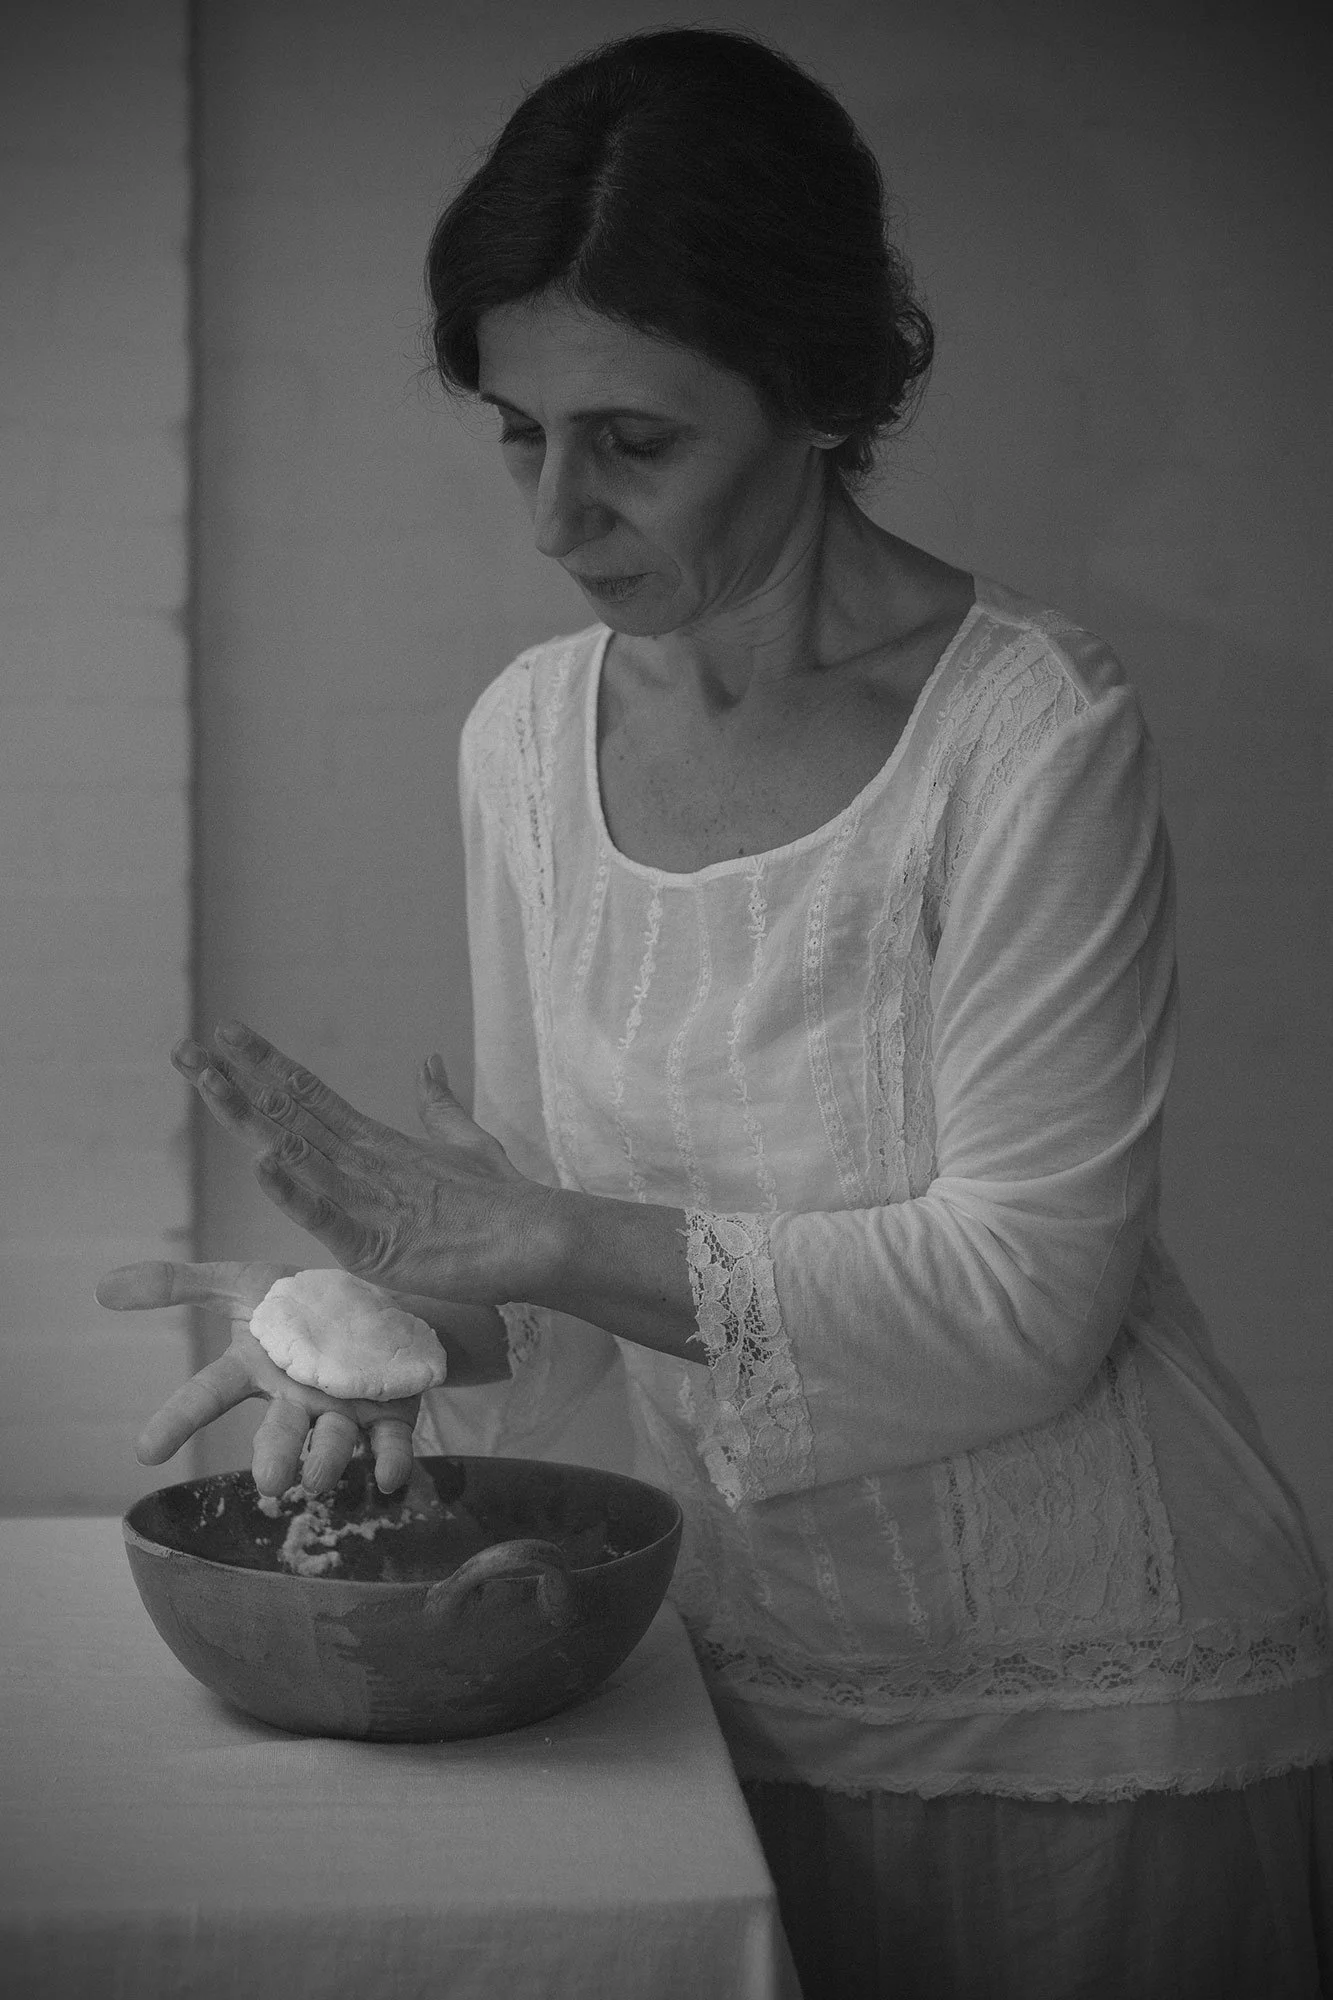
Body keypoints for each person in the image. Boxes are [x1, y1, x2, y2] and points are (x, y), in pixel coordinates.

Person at [97, 27, 1333, 2000]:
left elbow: (1029, 1297)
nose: (554, 515)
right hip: (697, 1685)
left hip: (1073, 1707)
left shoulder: (1030, 733)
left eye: (633, 441)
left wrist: (528, 1233)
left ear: (825, 391)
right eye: (518, 430)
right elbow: (570, 1262)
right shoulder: (524, 741)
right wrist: (372, 1336)